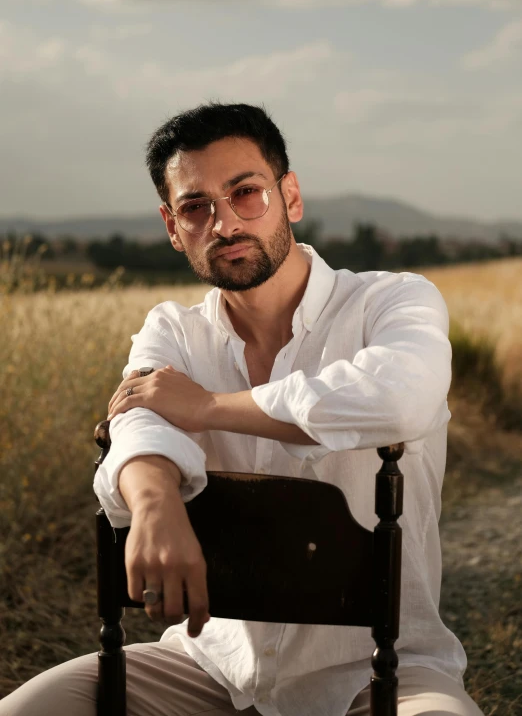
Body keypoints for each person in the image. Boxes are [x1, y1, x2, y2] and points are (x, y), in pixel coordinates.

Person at [0, 103, 484, 716]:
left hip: (381, 671)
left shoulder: (393, 301)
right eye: (195, 207)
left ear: (291, 196)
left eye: (245, 193)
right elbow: (137, 418)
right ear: (173, 228)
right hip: (210, 665)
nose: (224, 223)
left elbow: (400, 396)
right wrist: (154, 503)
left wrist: (208, 407)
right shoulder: (173, 330)